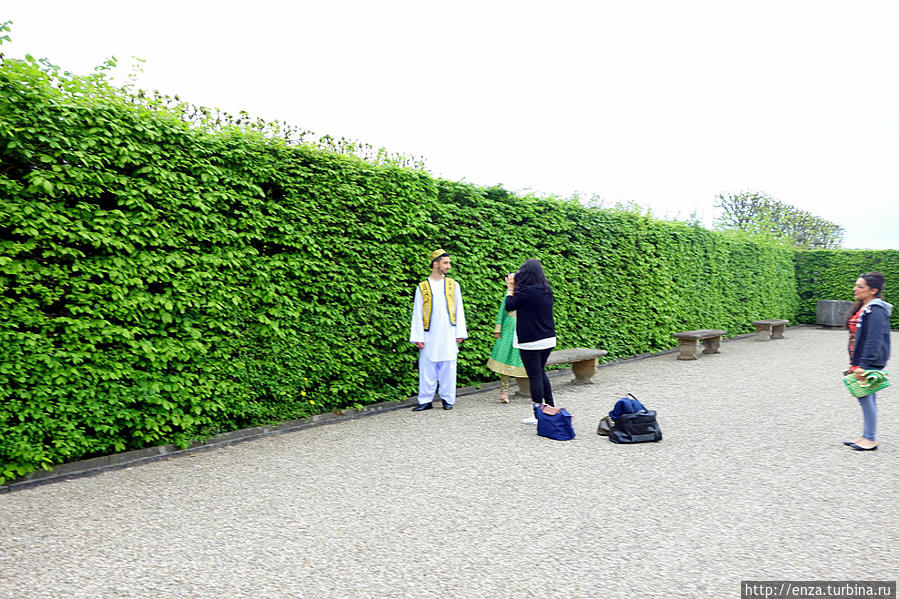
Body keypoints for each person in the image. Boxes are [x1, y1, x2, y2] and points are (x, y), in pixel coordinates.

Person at [409, 248, 468, 411]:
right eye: (445, 263)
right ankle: (425, 400)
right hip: (429, 334)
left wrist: (460, 332)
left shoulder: (453, 285)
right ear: (436, 264)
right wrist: (417, 336)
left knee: (448, 365)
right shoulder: (422, 287)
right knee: (427, 366)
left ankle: (447, 399)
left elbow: (459, 308)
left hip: (448, 332)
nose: (448, 266)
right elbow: (417, 312)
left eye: (448, 263)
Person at [844, 271, 892, 451]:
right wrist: (853, 362)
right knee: (867, 397)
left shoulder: (876, 309)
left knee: (865, 397)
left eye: (860, 286)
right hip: (862, 359)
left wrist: (862, 365)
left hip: (869, 361)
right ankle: (866, 436)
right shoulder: (864, 306)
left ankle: (870, 439)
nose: (855, 289)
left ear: (873, 290)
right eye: (856, 285)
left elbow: (874, 339)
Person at [505, 259, 556, 424]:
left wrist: (510, 288)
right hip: (548, 338)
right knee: (541, 373)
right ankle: (550, 408)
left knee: (534, 376)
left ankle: (537, 414)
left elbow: (509, 305)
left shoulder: (525, 292)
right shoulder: (547, 290)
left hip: (530, 341)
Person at [486, 288, 527, 403]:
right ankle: (504, 390)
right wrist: (498, 328)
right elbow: (503, 310)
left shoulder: (531, 291)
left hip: (526, 328)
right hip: (509, 328)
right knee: (505, 357)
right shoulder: (510, 292)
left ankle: (534, 390)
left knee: (527, 358)